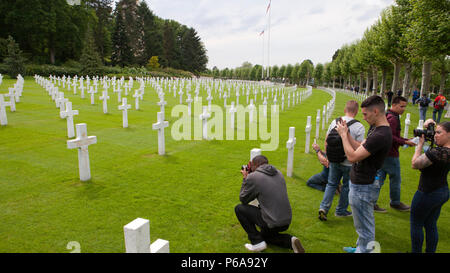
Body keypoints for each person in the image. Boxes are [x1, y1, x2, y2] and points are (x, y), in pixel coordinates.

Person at [335, 95, 392, 253]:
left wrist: (342, 136)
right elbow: (361, 147)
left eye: (365, 114)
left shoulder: (381, 134)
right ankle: (361, 247)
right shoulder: (376, 128)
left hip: (363, 185)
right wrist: (347, 134)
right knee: (361, 223)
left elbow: (352, 157)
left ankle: (364, 251)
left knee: (365, 227)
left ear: (375, 111)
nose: (363, 117)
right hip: (362, 182)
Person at [235, 155, 305, 253]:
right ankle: (290, 241)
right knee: (265, 236)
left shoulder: (254, 177)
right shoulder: (279, 173)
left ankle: (257, 242)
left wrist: (245, 178)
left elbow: (243, 199)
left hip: (272, 221)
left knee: (239, 209)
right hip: (286, 221)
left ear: (255, 166)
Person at [318, 100, 365, 221]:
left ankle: (324, 207)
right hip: (349, 162)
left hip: (334, 160)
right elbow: (359, 147)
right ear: (356, 111)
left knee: (331, 184)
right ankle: (341, 210)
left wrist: (327, 156)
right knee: (346, 186)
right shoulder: (359, 126)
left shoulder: (335, 121)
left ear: (345, 109)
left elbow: (327, 140)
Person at [410, 120, 450, 253]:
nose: (435, 135)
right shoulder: (446, 152)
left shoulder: (436, 153)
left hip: (427, 192)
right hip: (442, 190)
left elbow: (415, 164)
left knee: (416, 224)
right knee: (431, 224)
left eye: (439, 133)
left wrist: (420, 145)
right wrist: (431, 126)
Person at [374, 96, 417, 213]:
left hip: (383, 153)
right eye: (401, 106)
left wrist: (406, 139)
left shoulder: (389, 115)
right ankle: (395, 202)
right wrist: (404, 142)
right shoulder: (392, 119)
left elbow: (393, 135)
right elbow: (390, 136)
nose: (403, 109)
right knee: (396, 179)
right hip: (390, 155)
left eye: (405, 106)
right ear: (394, 105)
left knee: (379, 178)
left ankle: (371, 201)